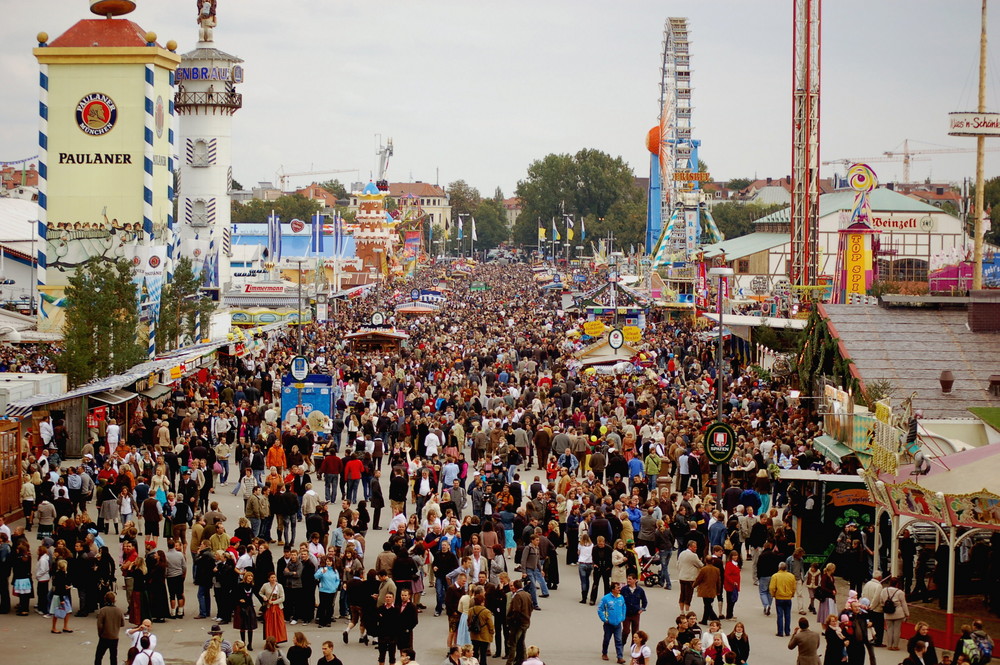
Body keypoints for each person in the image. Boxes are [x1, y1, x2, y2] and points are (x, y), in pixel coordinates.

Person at [598, 581, 627, 664]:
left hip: (618, 623)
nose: (619, 589)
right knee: (607, 639)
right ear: (613, 589)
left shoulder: (621, 598)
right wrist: (604, 619)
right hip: (608, 624)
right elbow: (600, 609)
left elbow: (623, 607)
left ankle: (620, 657)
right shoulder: (605, 598)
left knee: (618, 640)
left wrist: (623, 617)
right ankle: (604, 653)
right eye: (617, 588)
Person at [505, 579, 533, 665]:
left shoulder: (517, 596)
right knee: (521, 641)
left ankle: (510, 662)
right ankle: (523, 660)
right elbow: (531, 607)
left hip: (518, 623)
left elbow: (516, 610)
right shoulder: (527, 594)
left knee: (513, 643)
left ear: (516, 586)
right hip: (526, 622)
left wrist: (511, 620)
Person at [95, 591, 125, 665]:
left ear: (105, 599)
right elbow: (122, 624)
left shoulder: (103, 610)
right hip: (114, 637)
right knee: (113, 657)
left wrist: (100, 634)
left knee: (99, 656)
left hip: (104, 636)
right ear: (114, 600)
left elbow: (99, 625)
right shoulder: (119, 611)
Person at [881, 576, 909, 651]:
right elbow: (904, 604)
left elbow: (881, 601)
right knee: (897, 630)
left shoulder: (884, 590)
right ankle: (895, 645)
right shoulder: (900, 592)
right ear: (897, 584)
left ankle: (889, 645)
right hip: (898, 613)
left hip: (887, 613)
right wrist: (907, 614)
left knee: (889, 629)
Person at [770, 561, 797, 637]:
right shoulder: (791, 576)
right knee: (788, 615)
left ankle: (780, 632)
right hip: (788, 598)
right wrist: (792, 594)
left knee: (780, 615)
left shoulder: (775, 576)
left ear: (779, 568)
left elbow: (772, 587)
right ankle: (787, 631)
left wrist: (773, 594)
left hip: (779, 597)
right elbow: (794, 587)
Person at [259, 572, 287, 644]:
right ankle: (269, 640)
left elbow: (282, 598)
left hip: (277, 607)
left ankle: (277, 640)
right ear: (269, 579)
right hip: (269, 608)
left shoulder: (279, 586)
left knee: (278, 624)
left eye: (274, 577)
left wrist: (274, 602)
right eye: (272, 577)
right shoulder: (265, 585)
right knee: (269, 624)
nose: (273, 579)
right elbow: (260, 593)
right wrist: (264, 597)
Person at [693, 554, 721, 625]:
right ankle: (705, 619)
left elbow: (699, 579)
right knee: (708, 605)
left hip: (704, 590)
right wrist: (718, 591)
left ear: (705, 561)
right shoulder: (717, 570)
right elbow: (718, 581)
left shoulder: (703, 569)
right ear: (713, 561)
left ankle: (714, 618)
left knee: (707, 605)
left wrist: (693, 585)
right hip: (712, 590)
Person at [621, 574, 648, 644]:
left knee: (635, 632)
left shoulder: (640, 590)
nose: (628, 580)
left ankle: (633, 647)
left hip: (635, 614)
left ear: (635, 580)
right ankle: (621, 644)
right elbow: (619, 600)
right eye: (628, 579)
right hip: (626, 614)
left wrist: (642, 609)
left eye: (630, 579)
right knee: (626, 631)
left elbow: (644, 601)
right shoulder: (624, 590)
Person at [677, 541, 703, 614]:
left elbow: (678, 564)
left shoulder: (682, 553)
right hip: (690, 578)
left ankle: (682, 611)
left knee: (682, 594)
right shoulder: (693, 556)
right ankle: (687, 611)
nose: (696, 548)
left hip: (682, 576)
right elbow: (700, 565)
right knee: (688, 595)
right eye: (694, 547)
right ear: (690, 547)